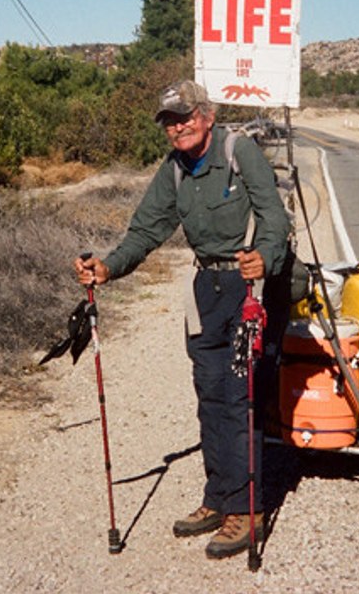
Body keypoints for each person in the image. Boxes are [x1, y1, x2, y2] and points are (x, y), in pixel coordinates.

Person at [73, 80, 290, 560]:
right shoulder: (173, 170)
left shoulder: (240, 152)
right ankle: (219, 497)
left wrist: (266, 256)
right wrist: (109, 267)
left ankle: (246, 509)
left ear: (207, 114)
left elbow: (275, 218)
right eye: (170, 121)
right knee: (210, 395)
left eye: (185, 116)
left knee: (239, 397)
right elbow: (146, 229)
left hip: (251, 286)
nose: (178, 127)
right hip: (207, 291)